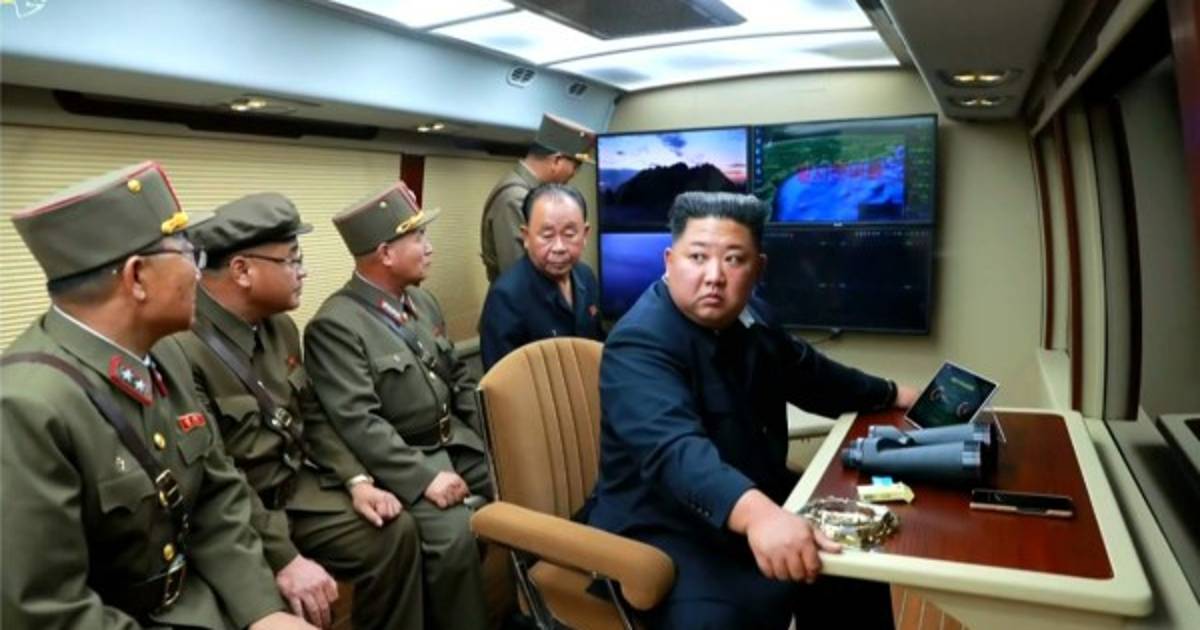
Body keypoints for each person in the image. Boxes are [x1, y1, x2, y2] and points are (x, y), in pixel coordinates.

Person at [0, 161, 313, 630]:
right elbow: (44, 610)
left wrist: (262, 610)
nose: (199, 272)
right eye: (187, 253)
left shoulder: (164, 354)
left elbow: (216, 497)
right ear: (137, 277)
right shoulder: (27, 406)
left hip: (200, 601)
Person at [586, 192, 920, 630]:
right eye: (697, 257)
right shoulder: (639, 341)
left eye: (733, 260)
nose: (714, 277)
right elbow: (677, 452)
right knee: (726, 618)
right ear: (669, 261)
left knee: (854, 566)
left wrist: (892, 393)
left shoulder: (751, 317)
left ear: (758, 268)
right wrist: (760, 516)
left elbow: (813, 374)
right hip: (665, 524)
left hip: (750, 496)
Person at [172, 193, 425, 630]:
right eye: (292, 260)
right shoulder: (180, 350)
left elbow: (313, 414)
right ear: (242, 270)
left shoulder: (280, 327)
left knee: (394, 532)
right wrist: (285, 557)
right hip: (239, 513)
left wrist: (356, 479)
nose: (303, 271)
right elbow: (216, 478)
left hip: (294, 490)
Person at [304, 182, 492, 630]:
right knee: (454, 540)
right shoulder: (335, 325)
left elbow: (458, 378)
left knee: (526, 485)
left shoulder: (421, 301)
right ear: (386, 253)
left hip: (456, 440)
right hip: (408, 458)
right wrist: (424, 479)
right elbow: (359, 422)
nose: (429, 248)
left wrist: (495, 438)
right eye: (418, 237)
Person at [478, 183, 604, 370]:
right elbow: (500, 378)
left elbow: (597, 346)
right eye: (547, 235)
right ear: (526, 237)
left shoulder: (586, 276)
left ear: (585, 234)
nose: (559, 247)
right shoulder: (505, 297)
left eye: (569, 234)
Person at [480, 112, 596, 283]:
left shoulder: (531, 195)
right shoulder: (515, 198)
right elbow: (519, 278)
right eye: (575, 166)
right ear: (557, 161)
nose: (573, 173)